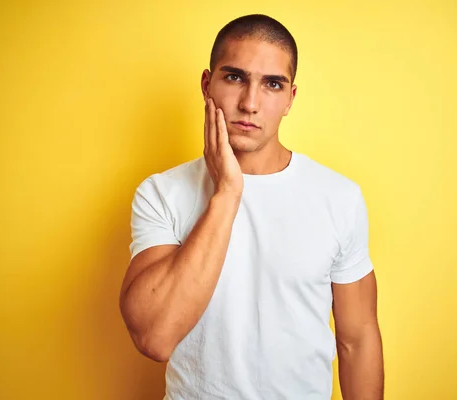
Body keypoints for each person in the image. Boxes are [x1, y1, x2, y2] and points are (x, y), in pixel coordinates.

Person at [119, 14, 384, 400]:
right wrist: (227, 193)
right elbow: (154, 338)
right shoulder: (162, 193)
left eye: (272, 84)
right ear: (207, 84)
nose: (250, 103)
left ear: (290, 98)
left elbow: (357, 340)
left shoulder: (338, 197)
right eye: (235, 77)